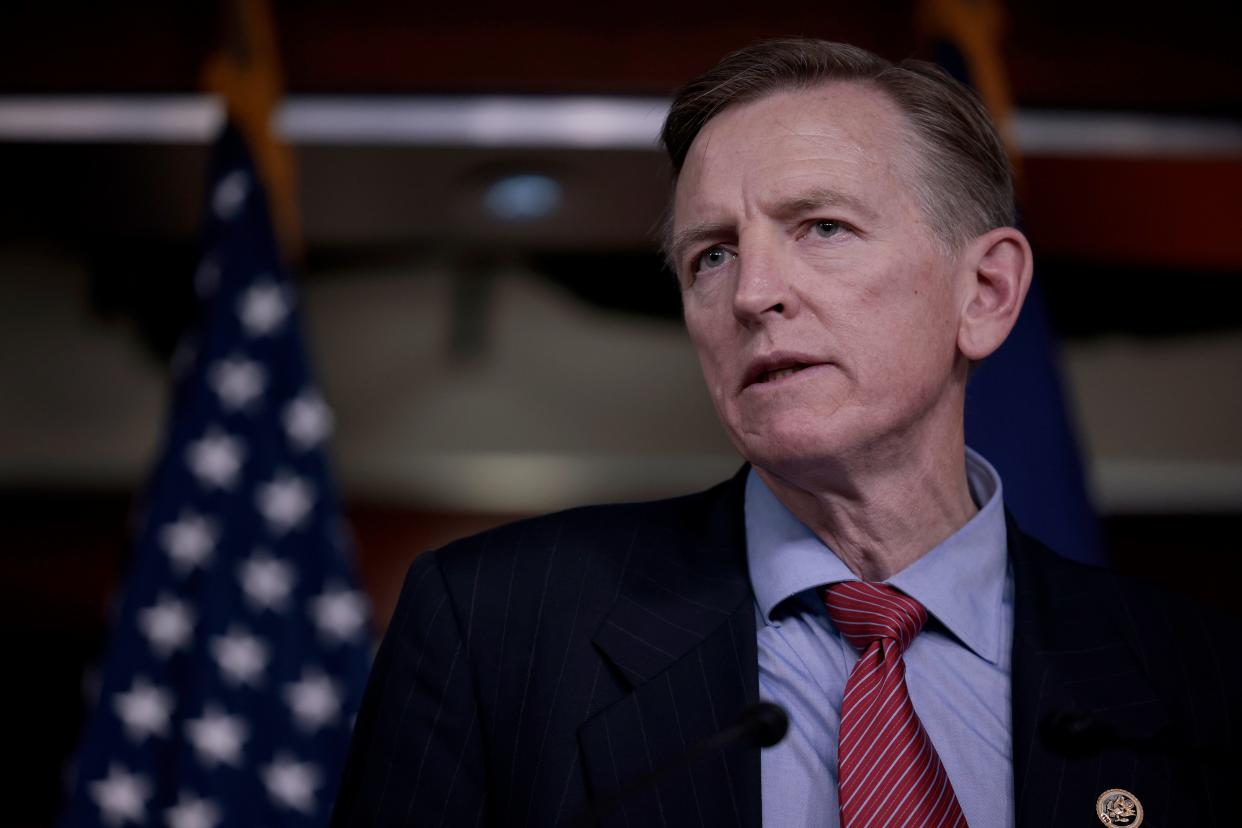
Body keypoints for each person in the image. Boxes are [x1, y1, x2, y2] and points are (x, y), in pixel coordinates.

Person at [332, 39, 1240, 828]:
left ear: (986, 293)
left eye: (823, 227)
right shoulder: (498, 624)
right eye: (711, 255)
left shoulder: (1193, 673)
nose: (752, 293)